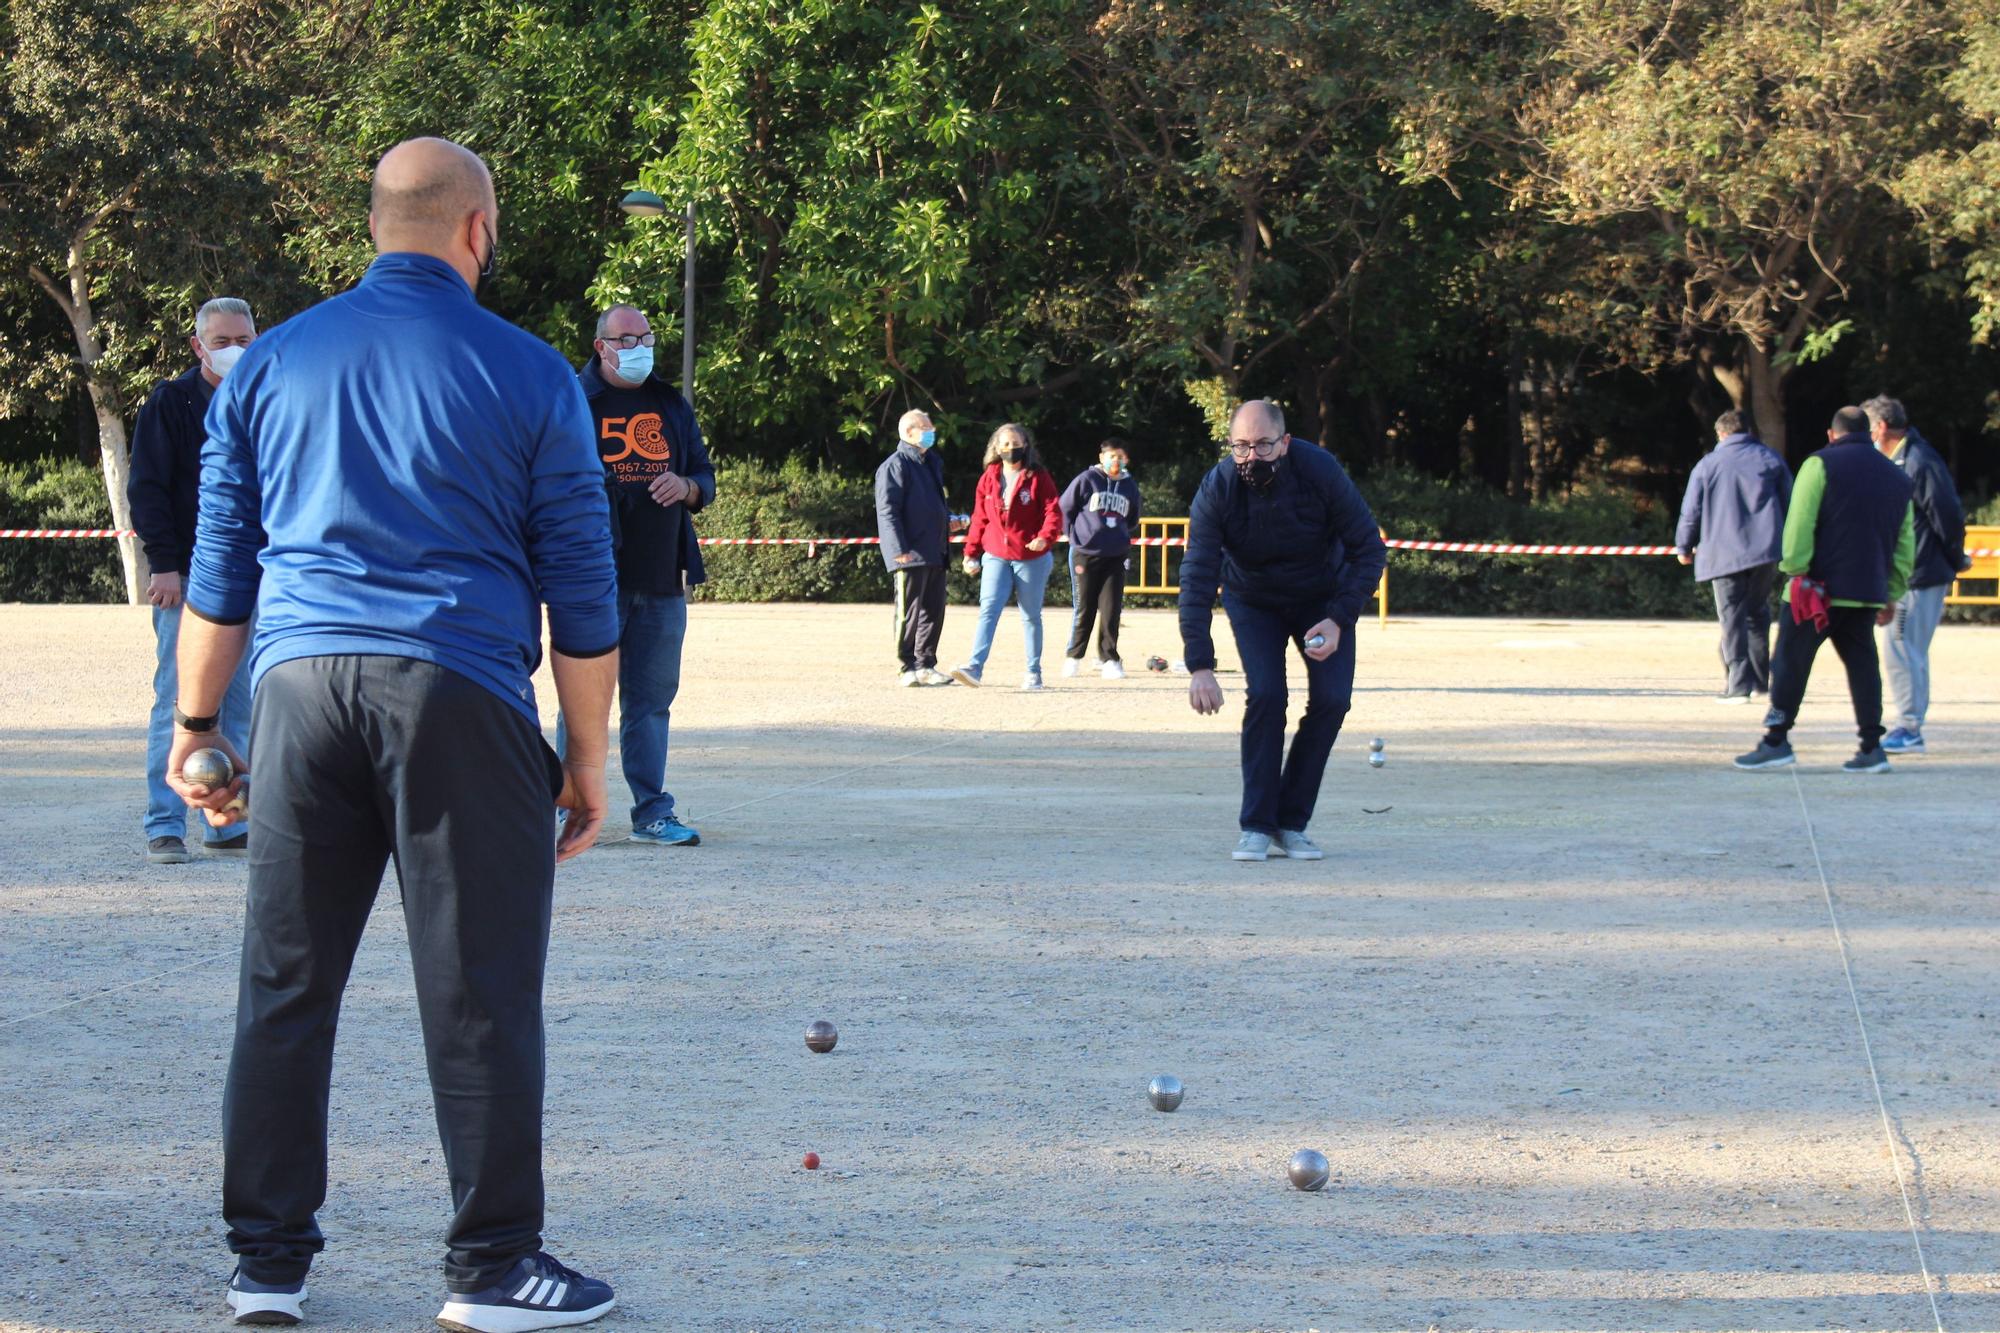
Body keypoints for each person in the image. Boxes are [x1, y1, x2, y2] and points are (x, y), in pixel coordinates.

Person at [168, 137, 621, 1331]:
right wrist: (584, 760)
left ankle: (266, 1265)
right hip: (457, 691)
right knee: (477, 990)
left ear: (374, 226)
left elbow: (223, 573)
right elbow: (581, 593)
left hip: (299, 690)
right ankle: (493, 1268)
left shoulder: (267, 365)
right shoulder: (532, 374)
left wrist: (195, 724)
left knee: (283, 981)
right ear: (477, 229)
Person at [1181, 401, 1386, 861]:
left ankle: (1292, 823)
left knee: (1333, 700)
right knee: (1268, 695)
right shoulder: (1218, 487)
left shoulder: (1321, 471)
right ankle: (1256, 824)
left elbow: (1369, 550)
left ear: (1285, 443)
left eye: (1263, 445)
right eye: (1240, 446)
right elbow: (1197, 573)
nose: (1251, 456)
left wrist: (1338, 618)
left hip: (1322, 598)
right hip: (1253, 600)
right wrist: (1200, 665)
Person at [562, 302, 714, 846]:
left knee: (650, 703)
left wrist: (688, 487)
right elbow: (547, 478)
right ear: (601, 346)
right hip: (594, 578)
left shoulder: (670, 401)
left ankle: (652, 812)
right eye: (627, 340)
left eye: (646, 337)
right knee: (583, 702)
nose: (639, 348)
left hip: (660, 578)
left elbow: (703, 474)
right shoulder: (574, 401)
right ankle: (568, 808)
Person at [126, 297, 260, 864]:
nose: (235, 351)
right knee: (178, 702)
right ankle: (165, 823)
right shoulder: (171, 403)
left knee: (241, 701)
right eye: (223, 341)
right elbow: (148, 488)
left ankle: (227, 821)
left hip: (250, 576)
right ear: (197, 345)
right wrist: (164, 565)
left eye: (245, 341)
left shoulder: (262, 399)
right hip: (188, 578)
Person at [1736, 406, 1914, 775]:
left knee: (1789, 662)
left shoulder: (1820, 464)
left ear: (1832, 434)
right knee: (1864, 668)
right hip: (1866, 592)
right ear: (1869, 434)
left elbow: (1801, 521)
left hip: (1816, 591)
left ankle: (1776, 740)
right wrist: (1891, 591)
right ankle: (1871, 746)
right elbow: (1904, 542)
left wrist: (1795, 570)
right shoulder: (1897, 478)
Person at [1863, 395, 1970, 756]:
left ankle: (1909, 727)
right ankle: (1910, 724)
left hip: (1919, 573)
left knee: (1901, 649)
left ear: (1880, 427)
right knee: (1907, 650)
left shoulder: (1918, 460)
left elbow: (1947, 513)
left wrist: (1954, 558)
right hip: (1909, 572)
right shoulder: (1896, 460)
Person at [1674, 409, 1792, 703]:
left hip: (1723, 553)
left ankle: (1738, 685)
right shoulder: (1771, 459)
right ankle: (1761, 682)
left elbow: (1691, 510)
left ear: (1721, 434)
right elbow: (1790, 505)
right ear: (1748, 432)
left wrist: (1684, 547)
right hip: (1765, 553)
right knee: (1757, 611)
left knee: (1731, 618)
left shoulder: (1708, 465)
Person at [950, 423, 1063, 691]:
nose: (1011, 448)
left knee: (1030, 615)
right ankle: (974, 668)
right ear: (996, 448)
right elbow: (980, 518)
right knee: (988, 609)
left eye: (1016, 443)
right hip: (996, 555)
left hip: (1031, 556)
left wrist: (1044, 537)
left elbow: (1053, 511)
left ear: (1026, 445)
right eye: (1006, 444)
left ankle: (1033, 672)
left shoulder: (1038, 477)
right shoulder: (989, 477)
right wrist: (971, 553)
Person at [875, 409, 954, 686]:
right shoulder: (895, 465)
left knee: (933, 611)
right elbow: (888, 511)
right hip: (909, 552)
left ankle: (926, 665)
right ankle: (906, 666)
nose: (932, 430)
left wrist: (949, 522)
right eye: (926, 426)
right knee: (908, 611)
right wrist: (898, 548)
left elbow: (933, 505)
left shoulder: (931, 463)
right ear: (909, 432)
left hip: (935, 550)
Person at [1060, 437, 1143, 678]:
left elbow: (1133, 518)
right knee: (1085, 607)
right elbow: (1065, 507)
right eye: (1110, 455)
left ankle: (1108, 658)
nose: (1115, 460)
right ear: (1101, 457)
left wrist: (1118, 536)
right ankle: (1074, 656)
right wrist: (1074, 535)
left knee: (1111, 608)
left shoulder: (1130, 486)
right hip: (1085, 554)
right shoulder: (1088, 479)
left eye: (1119, 456)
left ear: (1126, 460)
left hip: (1115, 555)